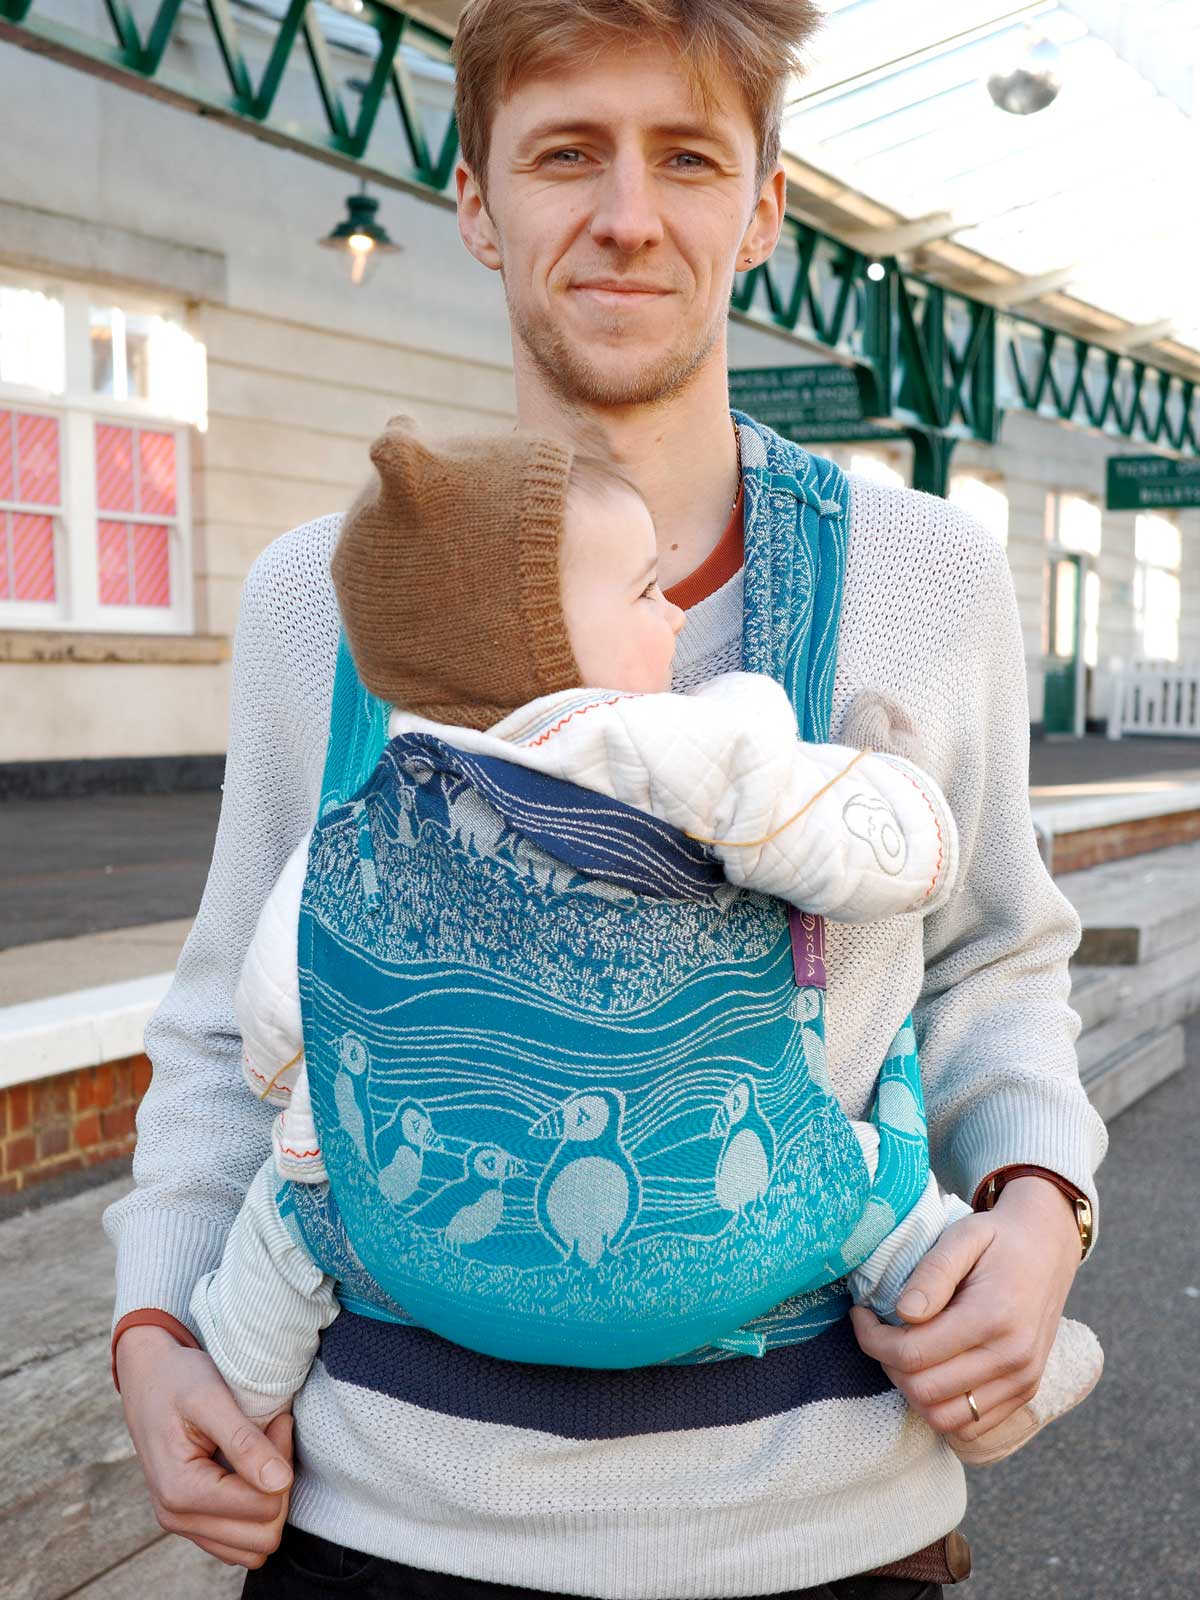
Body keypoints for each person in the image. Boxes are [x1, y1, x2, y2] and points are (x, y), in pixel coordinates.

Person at [105, 2, 1107, 1595]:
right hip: (380, 1520)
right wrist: (158, 1330)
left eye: (688, 158)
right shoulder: (323, 599)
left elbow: (1000, 954)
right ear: (478, 200)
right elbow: (233, 1019)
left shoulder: (930, 577)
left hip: (827, 1526)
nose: (628, 215)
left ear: (765, 205)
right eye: (566, 152)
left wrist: (1041, 1205)